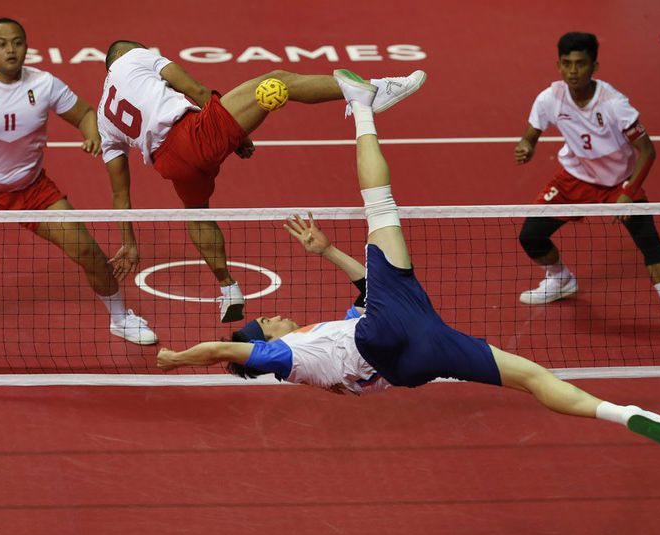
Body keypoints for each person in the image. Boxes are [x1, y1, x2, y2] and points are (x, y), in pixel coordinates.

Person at [155, 70, 660, 448]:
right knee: (379, 205)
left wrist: (326, 251)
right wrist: (177, 359)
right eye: (263, 322)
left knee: (530, 377)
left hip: (410, 358)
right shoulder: (283, 357)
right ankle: (363, 107)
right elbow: (224, 349)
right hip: (388, 328)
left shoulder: (319, 356)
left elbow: (368, 289)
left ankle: (622, 414)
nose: (270, 316)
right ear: (264, 342)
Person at [99, 40, 426, 323]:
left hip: (171, 165)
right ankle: (375, 90)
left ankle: (228, 289)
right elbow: (196, 90)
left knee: (196, 211)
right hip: (192, 134)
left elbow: (119, 195)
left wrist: (129, 242)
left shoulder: (103, 114)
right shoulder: (134, 57)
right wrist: (234, 134)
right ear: (129, 53)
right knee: (277, 80)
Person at [0, 18, 157, 345]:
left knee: (89, 252)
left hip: (32, 190)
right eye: (2, 44)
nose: (11, 50)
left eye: (17, 42)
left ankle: (120, 318)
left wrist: (91, 134)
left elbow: (85, 114)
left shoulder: (45, 84)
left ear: (26, 46)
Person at [515, 32, 660, 339]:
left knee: (649, 242)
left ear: (594, 66)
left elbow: (648, 151)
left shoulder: (614, 104)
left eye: (581, 64)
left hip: (618, 184)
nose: (573, 71)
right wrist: (526, 146)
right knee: (531, 236)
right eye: (567, 64)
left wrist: (628, 193)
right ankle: (561, 279)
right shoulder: (550, 98)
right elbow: (531, 133)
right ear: (558, 66)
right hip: (573, 178)